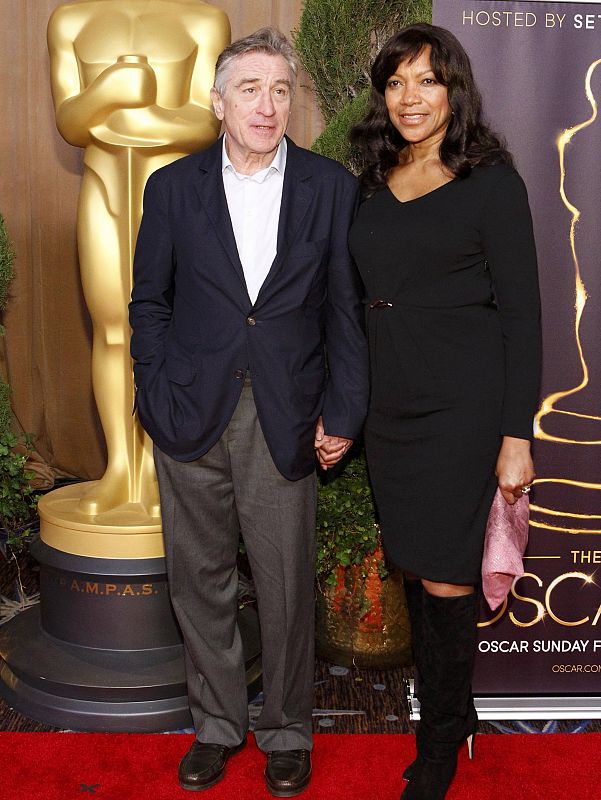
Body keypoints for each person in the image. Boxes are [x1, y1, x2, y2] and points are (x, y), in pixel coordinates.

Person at [129, 27, 369, 797]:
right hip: (189, 413)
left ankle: (287, 731)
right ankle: (217, 727)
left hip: (286, 412)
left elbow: (345, 313)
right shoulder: (171, 187)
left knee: (284, 581)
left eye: (279, 90)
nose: (267, 106)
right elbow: (148, 304)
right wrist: (156, 387)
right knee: (197, 582)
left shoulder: (330, 187)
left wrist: (342, 412)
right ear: (217, 101)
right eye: (249, 90)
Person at [349, 23, 542, 800]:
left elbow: (523, 317)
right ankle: (454, 712)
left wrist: (514, 436)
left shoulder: (491, 181)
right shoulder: (369, 178)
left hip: (464, 407)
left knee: (446, 583)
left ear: (453, 89)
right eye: (396, 83)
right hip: (389, 407)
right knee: (415, 569)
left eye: (426, 81)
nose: (410, 98)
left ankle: (435, 746)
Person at [47, 0, 230, 517]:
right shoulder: (71, 20)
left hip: (175, 198)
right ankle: (119, 469)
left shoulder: (203, 20)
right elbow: (70, 120)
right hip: (103, 187)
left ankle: (155, 467)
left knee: (170, 328)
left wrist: (144, 113)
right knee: (110, 328)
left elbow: (205, 121)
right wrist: (108, 93)